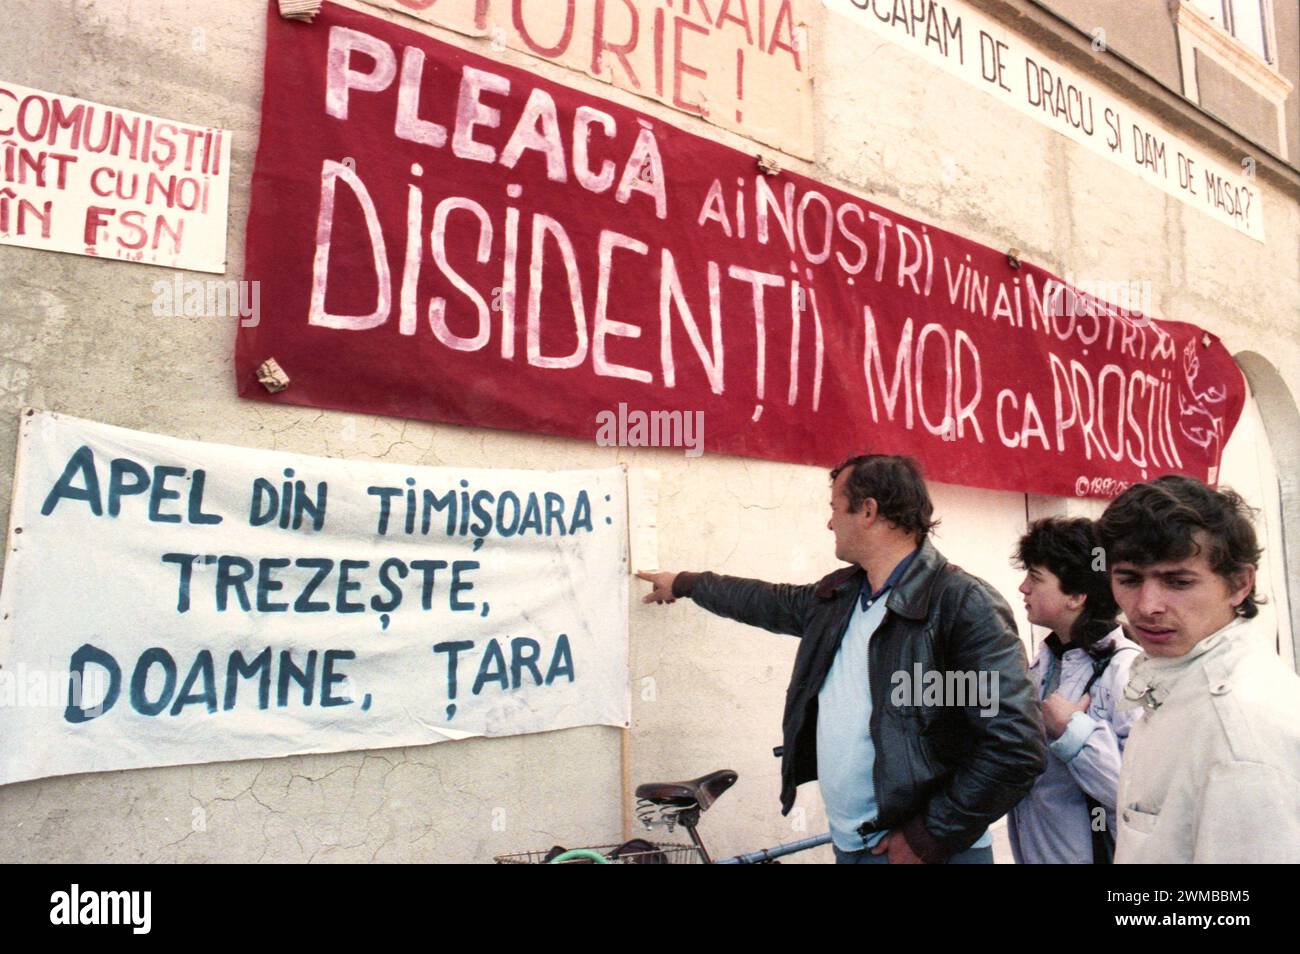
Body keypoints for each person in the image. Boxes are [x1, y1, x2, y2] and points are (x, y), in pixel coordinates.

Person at [637, 454, 1045, 864]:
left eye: (834, 508)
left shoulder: (960, 605)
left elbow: (1015, 744)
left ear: (868, 511)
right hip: (853, 846)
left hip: (929, 853)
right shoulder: (840, 598)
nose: (830, 523)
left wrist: (930, 835)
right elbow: (764, 601)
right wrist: (685, 583)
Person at [1096, 475, 1300, 863]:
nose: (1146, 605)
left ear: (1239, 584)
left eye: (1177, 581)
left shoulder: (1238, 732)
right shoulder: (1178, 678)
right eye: (1129, 579)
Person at [1007, 517, 1142, 864]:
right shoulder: (1044, 663)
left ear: (1077, 596)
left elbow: (1140, 799)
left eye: (1035, 578)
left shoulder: (1125, 671)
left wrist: (1075, 733)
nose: (1023, 588)